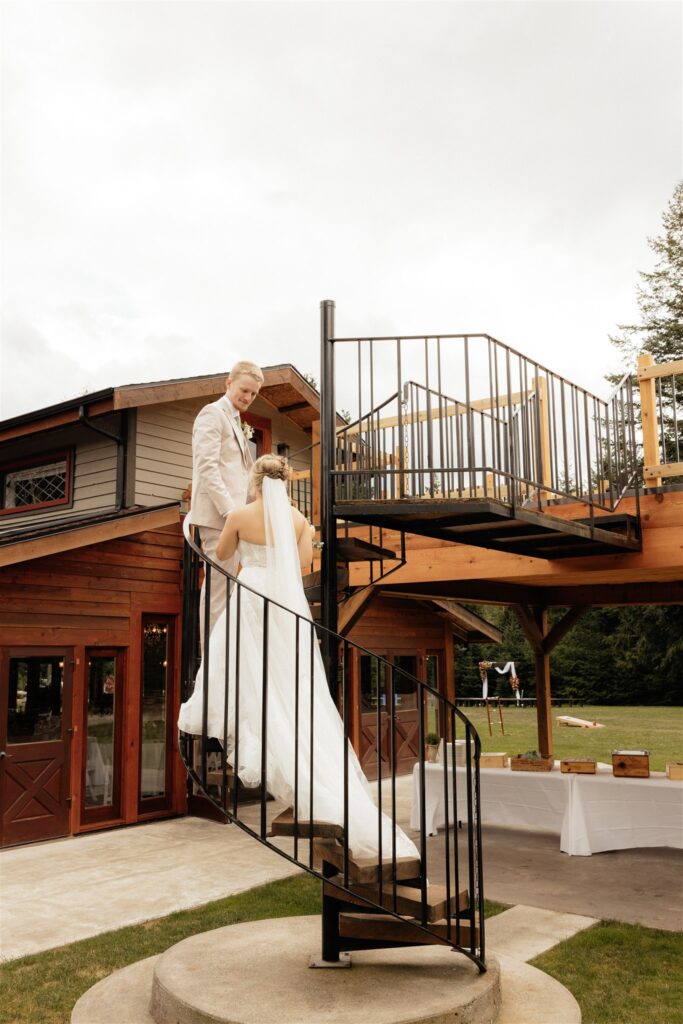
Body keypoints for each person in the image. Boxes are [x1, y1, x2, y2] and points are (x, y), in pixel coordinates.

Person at [179, 454, 418, 863]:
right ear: (286, 483)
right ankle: (304, 758)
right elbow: (305, 562)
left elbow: (221, 553)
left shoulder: (239, 514)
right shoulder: (299, 521)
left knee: (241, 663)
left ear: (254, 481)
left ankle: (259, 730)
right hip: (286, 602)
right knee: (290, 680)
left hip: (251, 595)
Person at [190, 361, 264, 646]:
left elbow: (240, 476)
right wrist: (232, 513)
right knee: (218, 588)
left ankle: (224, 651)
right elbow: (207, 468)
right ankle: (213, 660)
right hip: (218, 518)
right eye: (244, 390)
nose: (247, 397)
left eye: (253, 394)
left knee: (229, 586)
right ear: (228, 383)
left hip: (235, 518)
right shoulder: (211, 414)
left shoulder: (235, 421)